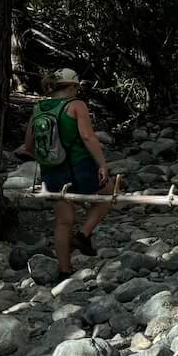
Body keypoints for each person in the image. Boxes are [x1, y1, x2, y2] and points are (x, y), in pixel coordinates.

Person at [24, 68, 114, 271]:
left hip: (52, 170)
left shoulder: (39, 108)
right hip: (79, 166)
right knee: (108, 194)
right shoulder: (76, 105)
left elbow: (28, 146)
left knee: (63, 222)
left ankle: (64, 271)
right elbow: (88, 137)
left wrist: (49, 158)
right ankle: (83, 235)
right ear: (73, 86)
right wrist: (102, 164)